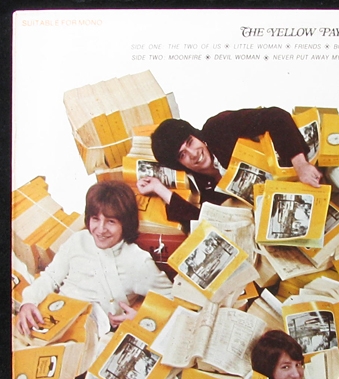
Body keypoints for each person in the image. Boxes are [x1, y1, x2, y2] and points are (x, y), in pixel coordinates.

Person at [17, 180, 173, 337]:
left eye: (111, 221)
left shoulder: (138, 261)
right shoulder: (77, 241)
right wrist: (28, 302)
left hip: (92, 335)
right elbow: (50, 277)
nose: (101, 229)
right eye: (95, 219)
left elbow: (171, 298)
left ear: (125, 224)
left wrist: (141, 317)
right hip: (54, 318)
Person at [136, 107, 323, 227]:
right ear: (180, 164)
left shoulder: (218, 129)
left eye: (190, 142)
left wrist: (301, 165)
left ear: (197, 136)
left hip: (304, 170)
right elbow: (204, 222)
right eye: (182, 155)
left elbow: (275, 116)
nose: (193, 154)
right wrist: (159, 188)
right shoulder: (205, 186)